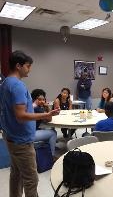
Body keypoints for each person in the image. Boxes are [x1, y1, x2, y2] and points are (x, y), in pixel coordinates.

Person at [0, 51, 60, 197]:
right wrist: (46, 114)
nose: (29, 69)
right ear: (18, 66)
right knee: (31, 179)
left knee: (16, 173)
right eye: (28, 66)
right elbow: (20, 116)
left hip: (11, 137)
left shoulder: (5, 82)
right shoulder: (17, 85)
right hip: (22, 141)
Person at [31, 89, 57, 160]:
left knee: (46, 129)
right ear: (34, 100)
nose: (42, 101)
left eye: (43, 99)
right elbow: (49, 119)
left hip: (25, 133)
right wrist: (48, 107)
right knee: (53, 132)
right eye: (39, 99)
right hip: (30, 135)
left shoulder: (31, 106)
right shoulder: (37, 109)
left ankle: (47, 148)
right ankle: (52, 156)